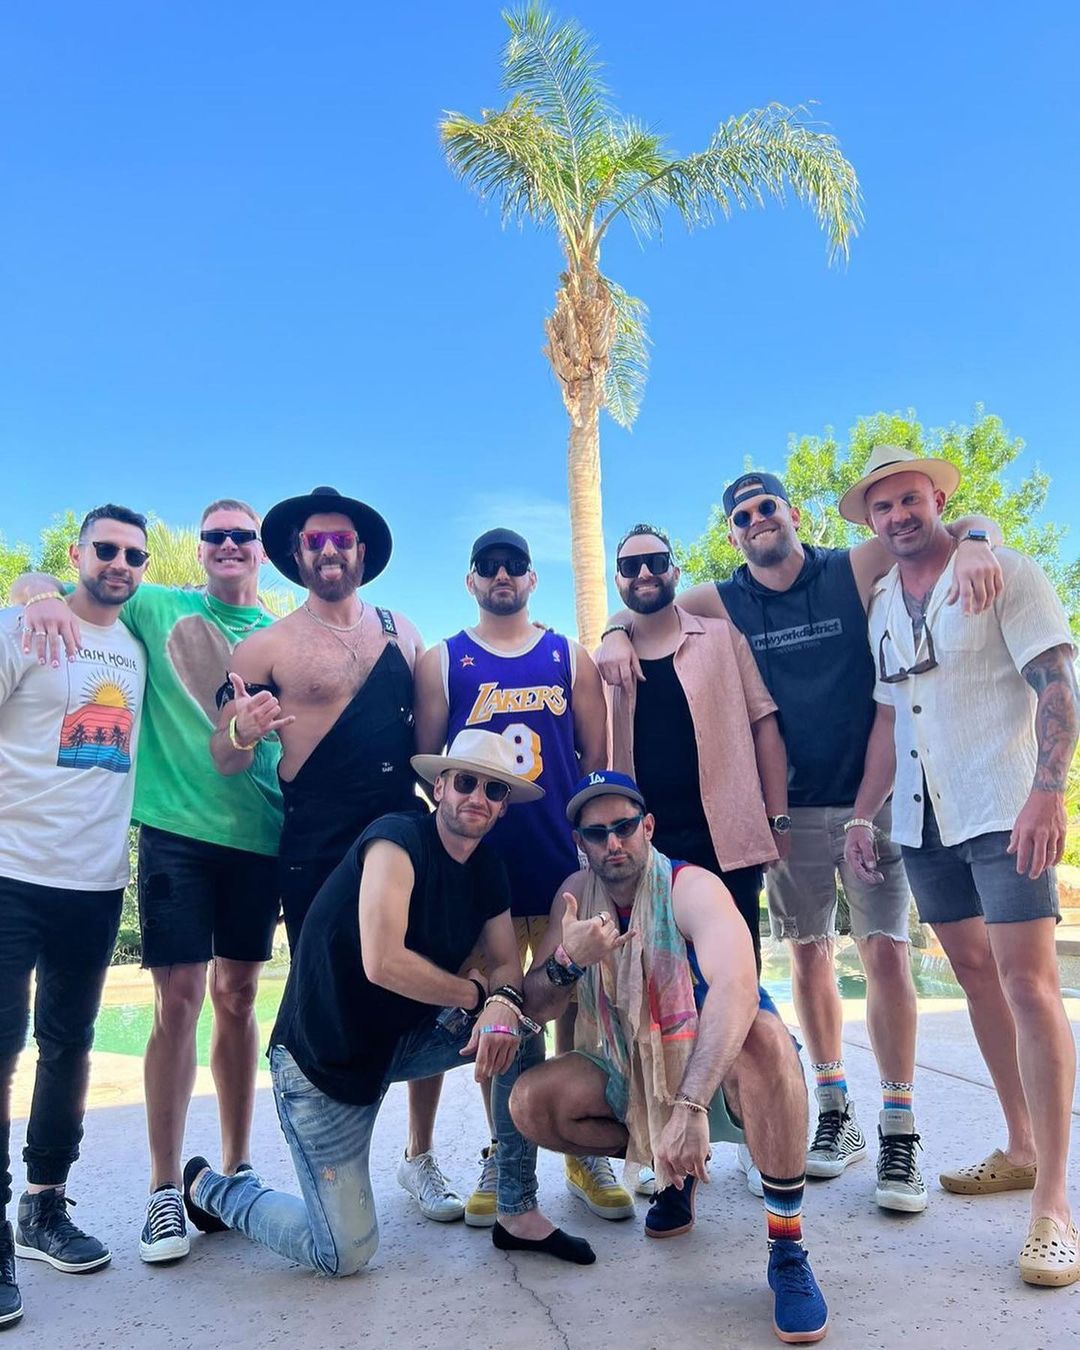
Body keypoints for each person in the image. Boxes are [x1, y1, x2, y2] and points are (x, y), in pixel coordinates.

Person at [597, 477, 1003, 1211]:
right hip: (790, 812)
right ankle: (834, 1111)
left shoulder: (849, 566)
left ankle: (900, 1128)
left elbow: (952, 524)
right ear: (731, 534)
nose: (757, 521)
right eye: (742, 516)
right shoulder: (723, 599)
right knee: (810, 956)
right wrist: (611, 632)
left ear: (793, 514)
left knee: (885, 952)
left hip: (872, 798)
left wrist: (975, 542)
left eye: (767, 508)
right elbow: (643, 605)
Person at [181, 730, 594, 1272]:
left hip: (402, 1042)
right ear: (439, 787)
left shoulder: (487, 868)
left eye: (493, 790)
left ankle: (516, 1210)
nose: (478, 797)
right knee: (343, 1252)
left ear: (502, 808)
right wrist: (476, 994)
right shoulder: (395, 842)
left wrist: (502, 1002)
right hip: (324, 1064)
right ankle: (216, 1189)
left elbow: (504, 964)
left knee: (519, 1028)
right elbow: (383, 962)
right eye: (465, 782)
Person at [15, 499, 287, 1263]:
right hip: (175, 838)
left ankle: (236, 1167)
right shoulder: (155, 605)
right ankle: (164, 1189)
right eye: (215, 536)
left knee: (240, 997)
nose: (229, 545)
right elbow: (70, 585)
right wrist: (33, 591)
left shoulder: (278, 636)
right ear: (199, 550)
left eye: (243, 536)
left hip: (260, 838)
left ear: (262, 552)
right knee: (178, 1001)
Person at [841, 445, 1078, 1287]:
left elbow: (1057, 685)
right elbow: (887, 719)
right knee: (975, 973)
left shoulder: (1004, 570)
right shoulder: (880, 601)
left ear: (939, 500)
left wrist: (1048, 793)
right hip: (921, 819)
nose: (899, 515)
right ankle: (1019, 1145)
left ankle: (1053, 1203)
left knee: (1029, 985)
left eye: (911, 499)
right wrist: (863, 815)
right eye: (883, 506)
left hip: (1001, 804)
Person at [510, 770, 829, 1345]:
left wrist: (690, 1104)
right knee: (531, 1103)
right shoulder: (575, 897)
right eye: (597, 833)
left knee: (765, 1038)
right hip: (631, 1070)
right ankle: (674, 1176)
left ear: (648, 827)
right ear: (580, 843)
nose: (613, 842)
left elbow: (737, 988)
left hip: (720, 1074)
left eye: (625, 827)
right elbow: (538, 1005)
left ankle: (787, 1249)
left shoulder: (691, 886)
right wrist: (566, 960)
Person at [408, 527, 628, 1226]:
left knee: (576, 1013)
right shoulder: (443, 660)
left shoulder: (568, 656)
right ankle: (504, 1151)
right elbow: (430, 769)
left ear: (533, 578)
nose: (501, 575)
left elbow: (596, 763)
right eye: (488, 565)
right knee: (495, 1013)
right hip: (483, 878)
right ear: (470, 580)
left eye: (515, 565)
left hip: (562, 869)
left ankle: (580, 1149)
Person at [0, 505, 149, 1327]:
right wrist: (32, 591)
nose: (120, 563)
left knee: (69, 1046)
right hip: (9, 873)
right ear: (75, 553)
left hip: (94, 884)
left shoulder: (136, 649)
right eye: (106, 549)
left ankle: (44, 1206)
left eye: (133, 554)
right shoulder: (21, 627)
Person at [211, 485, 424, 952]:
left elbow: (432, 736)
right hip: (316, 843)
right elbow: (225, 758)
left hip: (401, 831)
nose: (329, 550)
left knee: (410, 974)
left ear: (360, 551)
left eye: (342, 540)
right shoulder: (264, 647)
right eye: (314, 541)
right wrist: (241, 732)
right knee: (320, 979)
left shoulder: (403, 632)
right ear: (297, 553)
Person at [606, 523, 788, 970]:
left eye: (656, 562)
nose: (644, 573)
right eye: (631, 566)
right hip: (646, 847)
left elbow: (764, 724)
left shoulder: (722, 638)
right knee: (657, 982)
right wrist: (613, 633)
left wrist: (777, 820)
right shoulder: (606, 660)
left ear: (675, 571)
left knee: (738, 975)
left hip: (727, 840)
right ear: (618, 580)